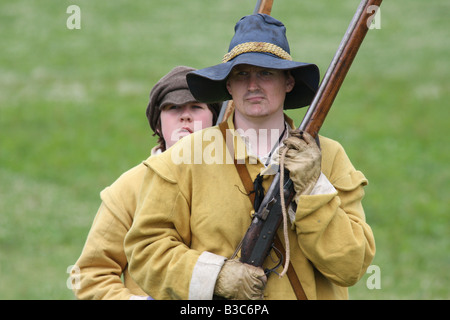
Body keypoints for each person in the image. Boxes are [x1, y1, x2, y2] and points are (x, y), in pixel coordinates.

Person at [125, 14, 375, 300]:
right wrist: (216, 276)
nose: (253, 85)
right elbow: (146, 253)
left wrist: (314, 189)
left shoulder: (329, 156)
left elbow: (351, 267)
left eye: (266, 73)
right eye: (242, 74)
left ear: (288, 82)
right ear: (228, 86)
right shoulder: (183, 158)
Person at [72, 66, 220, 299]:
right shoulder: (127, 189)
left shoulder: (235, 180)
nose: (186, 115)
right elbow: (90, 274)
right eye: (173, 108)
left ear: (214, 120)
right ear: (158, 124)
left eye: (196, 107)